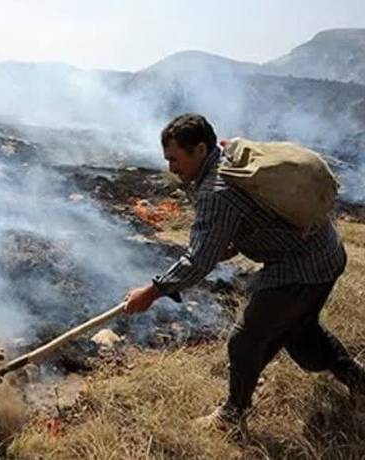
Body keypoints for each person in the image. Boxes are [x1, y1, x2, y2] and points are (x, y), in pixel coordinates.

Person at [123, 113, 365, 435]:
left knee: (245, 340)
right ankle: (358, 381)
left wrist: (152, 292)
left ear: (199, 149)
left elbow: (197, 261)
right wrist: (229, 242)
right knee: (301, 333)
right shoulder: (232, 156)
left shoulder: (216, 190)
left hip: (301, 267)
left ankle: (232, 416)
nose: (171, 168)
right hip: (327, 253)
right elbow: (257, 215)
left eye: (174, 159)